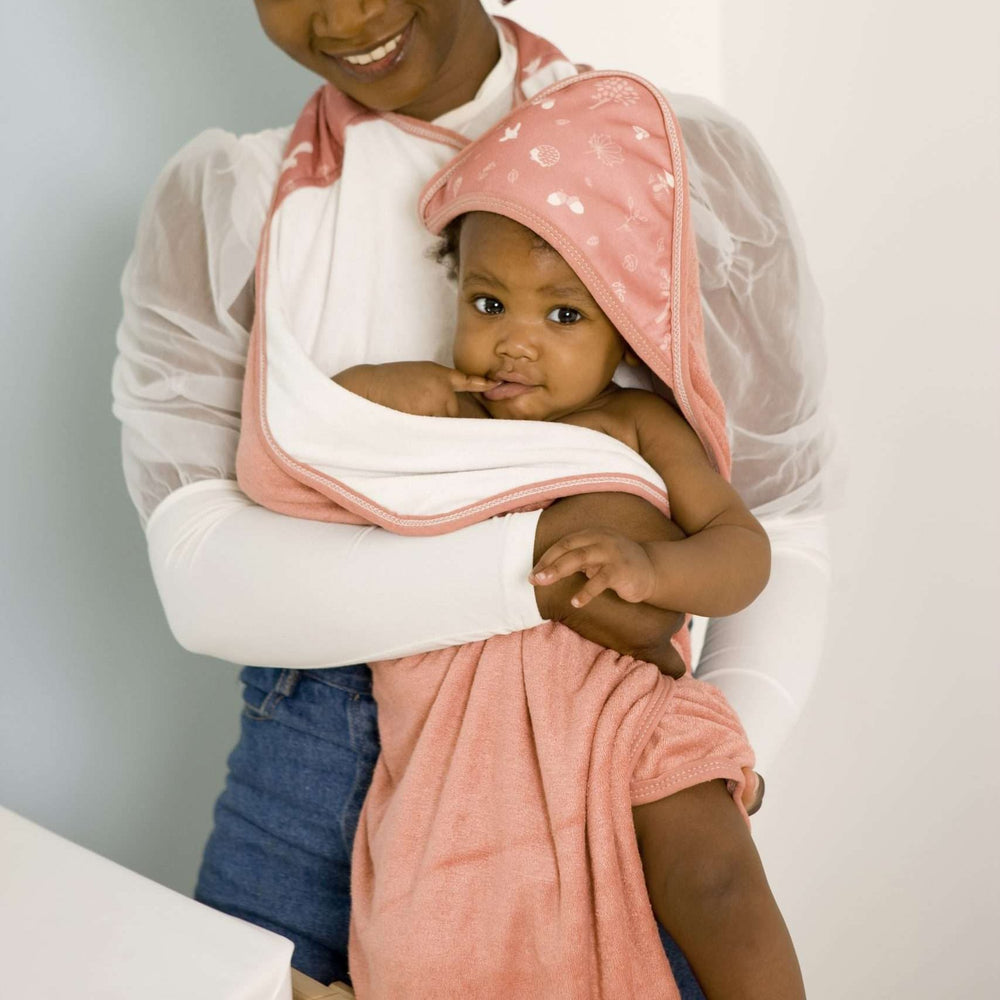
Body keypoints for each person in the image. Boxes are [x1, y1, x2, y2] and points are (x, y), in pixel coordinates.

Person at [112, 1, 831, 993]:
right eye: (484, 303)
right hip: (318, 750)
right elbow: (201, 574)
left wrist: (705, 756)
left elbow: (772, 525)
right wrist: (533, 568)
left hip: (605, 730)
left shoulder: (668, 172)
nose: (345, 11)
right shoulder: (229, 206)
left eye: (564, 312)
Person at [306, 68, 804, 993]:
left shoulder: (634, 426)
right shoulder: (448, 415)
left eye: (565, 315)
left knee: (718, 879)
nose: (515, 341)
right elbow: (310, 446)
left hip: (625, 705)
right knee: (435, 939)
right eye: (488, 305)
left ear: (626, 334)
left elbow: (744, 553)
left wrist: (652, 569)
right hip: (471, 730)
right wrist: (381, 394)